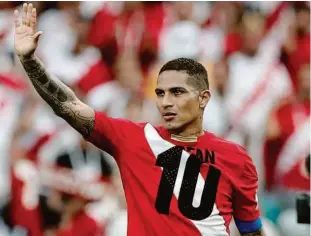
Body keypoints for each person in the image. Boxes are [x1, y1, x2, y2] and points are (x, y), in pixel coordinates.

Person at [14, 3, 263, 236]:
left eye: (177, 92)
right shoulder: (135, 138)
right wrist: (31, 63)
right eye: (160, 92)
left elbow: (252, 231)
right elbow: (67, 105)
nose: (166, 101)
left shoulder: (237, 159)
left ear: (203, 98)